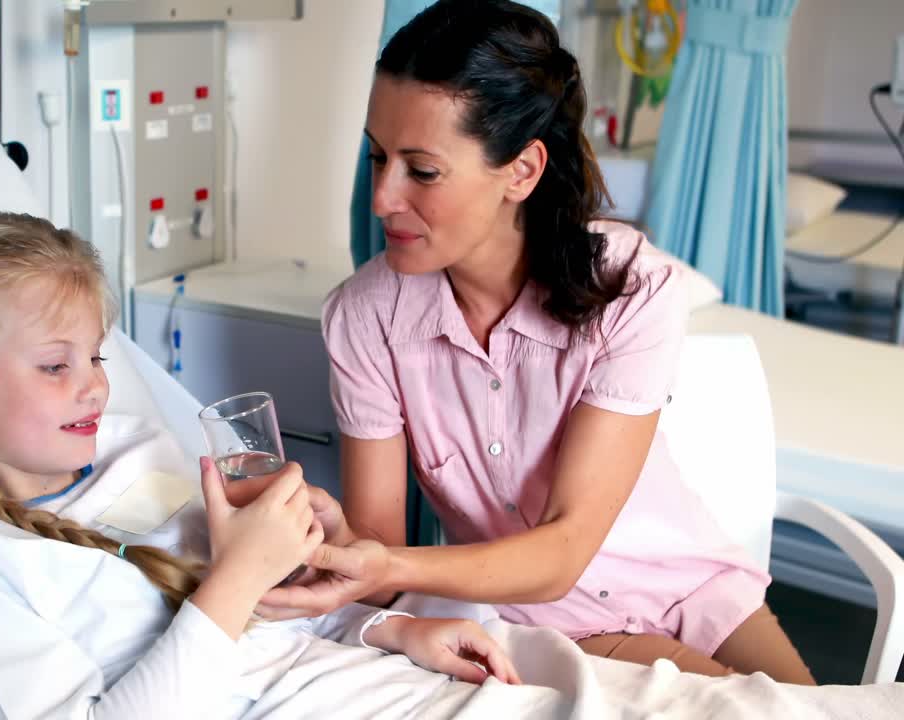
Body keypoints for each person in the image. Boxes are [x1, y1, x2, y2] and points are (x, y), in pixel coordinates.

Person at [259, 0, 815, 685]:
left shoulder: (632, 289)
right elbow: (382, 558)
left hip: (697, 590)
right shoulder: (365, 317)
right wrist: (334, 540)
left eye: (422, 170)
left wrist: (382, 564)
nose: (381, 197)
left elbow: (566, 544)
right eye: (378, 157)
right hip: (554, 622)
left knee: (819, 706)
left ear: (521, 172)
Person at [0, 212, 519, 719]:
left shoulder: (134, 447)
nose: (94, 390)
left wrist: (393, 629)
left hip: (361, 674)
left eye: (97, 360)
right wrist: (242, 571)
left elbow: (270, 618)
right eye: (56, 366)